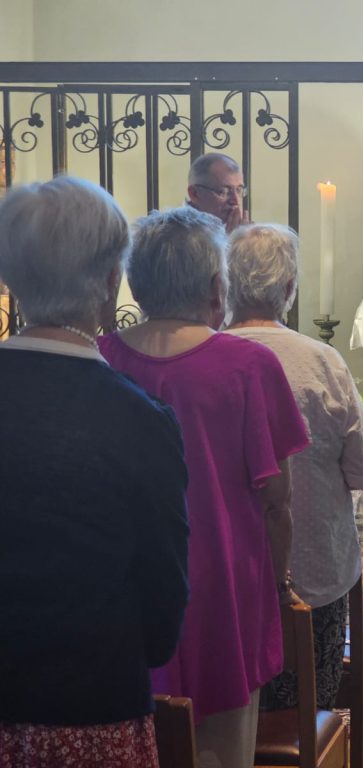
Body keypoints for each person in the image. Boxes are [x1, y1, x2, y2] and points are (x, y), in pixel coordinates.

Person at [98, 207, 309, 768]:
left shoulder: (102, 357)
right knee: (222, 750)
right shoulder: (249, 365)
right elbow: (277, 503)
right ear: (218, 287)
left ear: (135, 283)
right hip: (224, 589)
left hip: (125, 589)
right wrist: (280, 585)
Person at [0, 177, 189, 768]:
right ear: (111, 280)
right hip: (92, 710)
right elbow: (163, 597)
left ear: (12, 278)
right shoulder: (139, 419)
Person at [224, 223, 363, 709]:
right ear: (290, 287)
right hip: (311, 578)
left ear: (226, 284)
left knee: (235, 706)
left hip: (227, 583)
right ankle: (311, 726)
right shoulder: (321, 362)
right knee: (309, 703)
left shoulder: (205, 359)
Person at [187, 152, 250, 233]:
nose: (236, 201)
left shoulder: (247, 230)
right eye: (224, 191)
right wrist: (233, 238)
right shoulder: (178, 233)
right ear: (194, 194)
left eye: (239, 190)